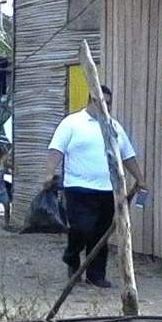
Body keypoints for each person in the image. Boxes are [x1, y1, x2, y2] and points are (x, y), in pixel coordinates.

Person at [44, 85, 146, 288]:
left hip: (108, 190)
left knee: (101, 234)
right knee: (82, 228)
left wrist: (140, 178)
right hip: (78, 188)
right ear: (91, 101)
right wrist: (48, 173)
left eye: (109, 103)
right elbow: (56, 150)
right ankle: (72, 259)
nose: (106, 106)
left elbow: (127, 155)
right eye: (102, 102)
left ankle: (95, 275)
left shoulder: (113, 127)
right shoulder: (72, 123)